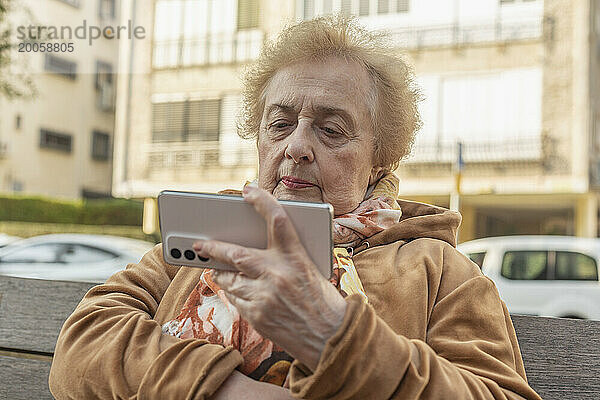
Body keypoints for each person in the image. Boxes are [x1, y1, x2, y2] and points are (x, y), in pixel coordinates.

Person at [49, 16, 541, 399]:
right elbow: (80, 348)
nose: (298, 146)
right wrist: (230, 390)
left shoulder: (437, 269)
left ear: (379, 160)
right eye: (280, 124)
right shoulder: (213, 233)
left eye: (331, 130)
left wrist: (336, 336)